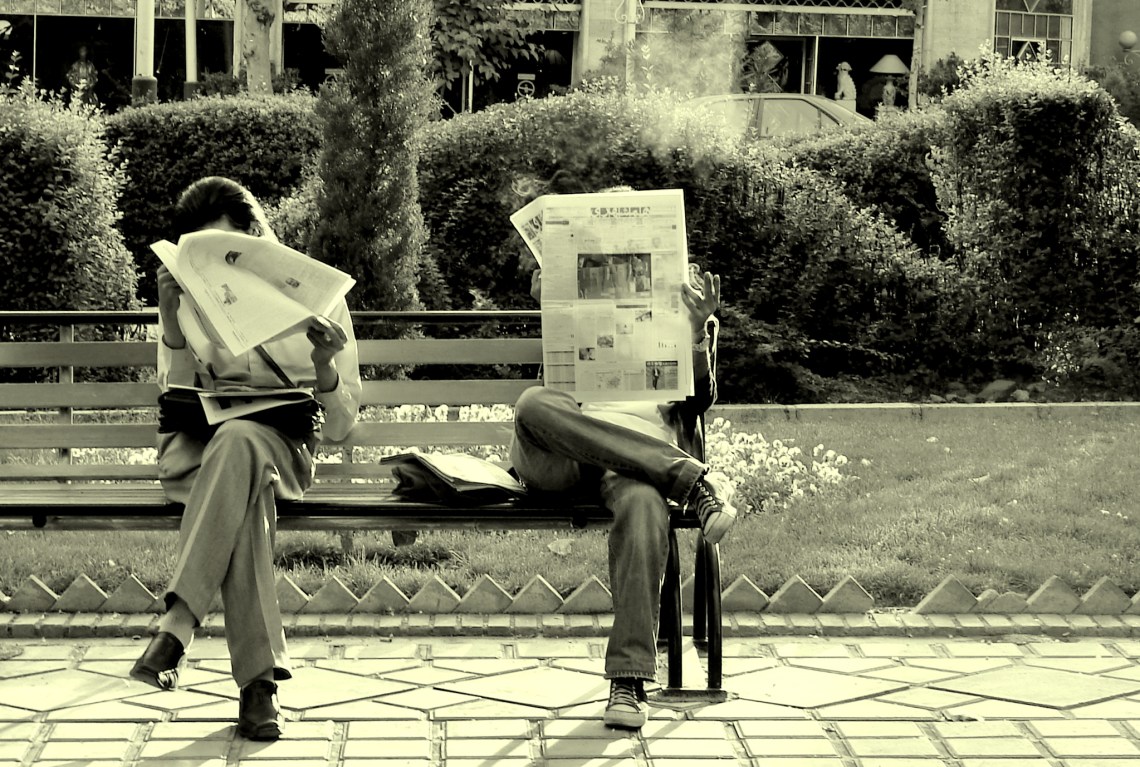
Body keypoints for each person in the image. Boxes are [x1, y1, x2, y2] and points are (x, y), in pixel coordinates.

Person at [129, 176, 362, 741]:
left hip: (281, 451)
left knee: (243, 445)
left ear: (255, 241)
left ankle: (177, 625)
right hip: (200, 456)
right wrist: (169, 321)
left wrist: (325, 365)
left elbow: (340, 426)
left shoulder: (318, 298)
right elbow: (173, 396)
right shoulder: (185, 298)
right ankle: (258, 687)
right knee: (241, 475)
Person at [509, 179, 736, 730]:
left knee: (642, 504)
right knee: (532, 404)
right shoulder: (566, 289)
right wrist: (554, 301)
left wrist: (699, 332)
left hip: (631, 467)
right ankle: (689, 479)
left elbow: (701, 399)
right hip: (563, 454)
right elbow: (545, 403)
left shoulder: (682, 306)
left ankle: (628, 683)